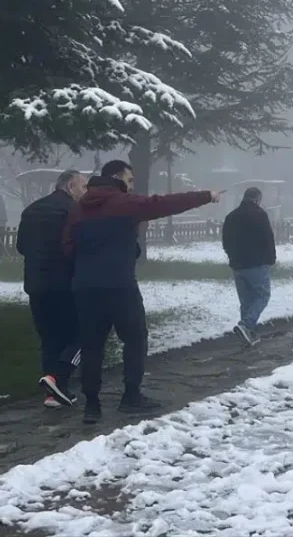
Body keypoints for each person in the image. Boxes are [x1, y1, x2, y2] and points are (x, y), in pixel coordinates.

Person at [64, 159, 221, 424]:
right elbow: (162, 204)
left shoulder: (79, 209)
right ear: (117, 177)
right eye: (130, 179)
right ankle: (131, 396)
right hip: (120, 285)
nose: (132, 184)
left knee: (92, 345)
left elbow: (67, 246)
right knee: (135, 338)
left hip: (86, 287)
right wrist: (206, 196)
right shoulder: (123, 203)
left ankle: (92, 405)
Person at [16, 169, 86, 408]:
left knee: (49, 338)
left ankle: (52, 393)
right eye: (82, 187)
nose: (84, 192)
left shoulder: (31, 210)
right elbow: (76, 246)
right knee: (82, 333)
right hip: (65, 284)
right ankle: (59, 379)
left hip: (35, 285)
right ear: (69, 186)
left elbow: (21, 247)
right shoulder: (74, 212)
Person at [222, 187, 277, 346]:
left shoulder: (231, 216)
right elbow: (268, 238)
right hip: (257, 262)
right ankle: (246, 325)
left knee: (246, 301)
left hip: (238, 264)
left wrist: (232, 256)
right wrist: (271, 258)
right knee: (262, 295)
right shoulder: (260, 215)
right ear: (257, 199)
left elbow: (225, 240)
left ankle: (247, 333)